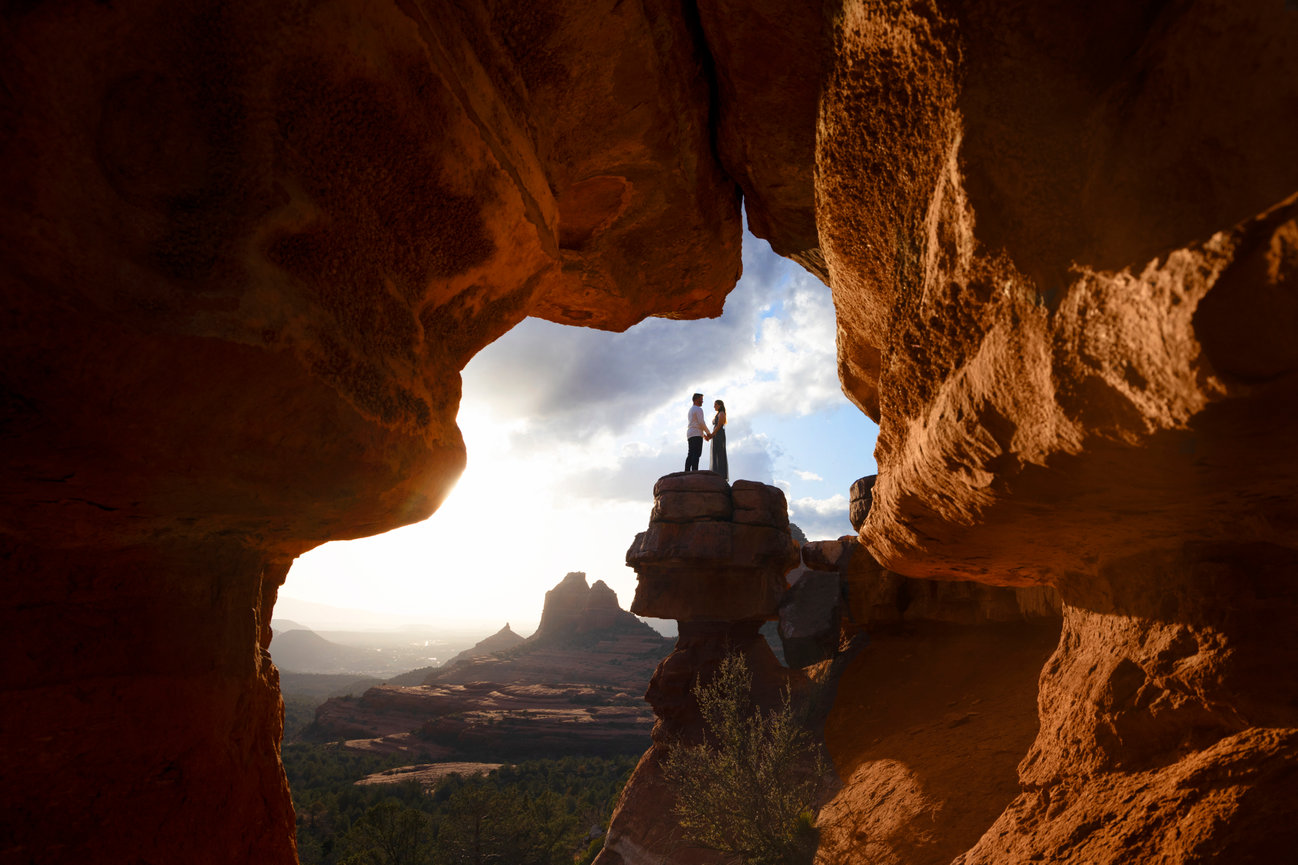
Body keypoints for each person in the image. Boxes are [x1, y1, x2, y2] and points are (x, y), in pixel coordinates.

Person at [684, 392, 708, 471]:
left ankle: (687, 470)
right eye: (701, 399)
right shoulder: (698, 409)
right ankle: (694, 471)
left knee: (690, 453)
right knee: (696, 453)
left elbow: (696, 423)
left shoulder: (691, 410)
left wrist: (704, 435)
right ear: (696, 399)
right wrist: (708, 433)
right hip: (696, 433)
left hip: (690, 433)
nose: (702, 401)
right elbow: (701, 422)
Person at [709, 399, 728, 481]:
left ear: (720, 405)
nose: (714, 406)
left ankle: (721, 474)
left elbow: (719, 425)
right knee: (715, 452)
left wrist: (712, 434)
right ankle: (716, 473)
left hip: (719, 435)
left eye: (715, 404)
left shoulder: (721, 413)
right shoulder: (718, 414)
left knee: (720, 453)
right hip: (716, 435)